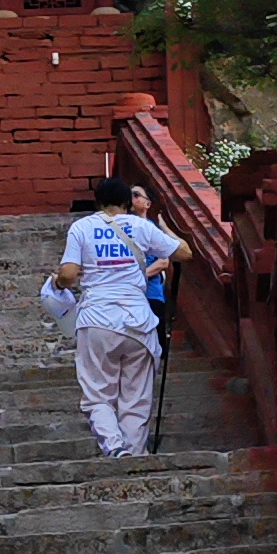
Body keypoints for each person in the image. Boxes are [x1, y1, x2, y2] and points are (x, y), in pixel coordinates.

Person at [48, 173, 182, 457]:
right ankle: (134, 453)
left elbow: (69, 273)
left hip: (97, 320)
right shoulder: (139, 225)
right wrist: (166, 231)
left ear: (98, 202)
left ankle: (114, 447)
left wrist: (58, 283)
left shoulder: (82, 227)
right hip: (138, 321)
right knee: (136, 396)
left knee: (98, 395)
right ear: (127, 202)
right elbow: (185, 252)